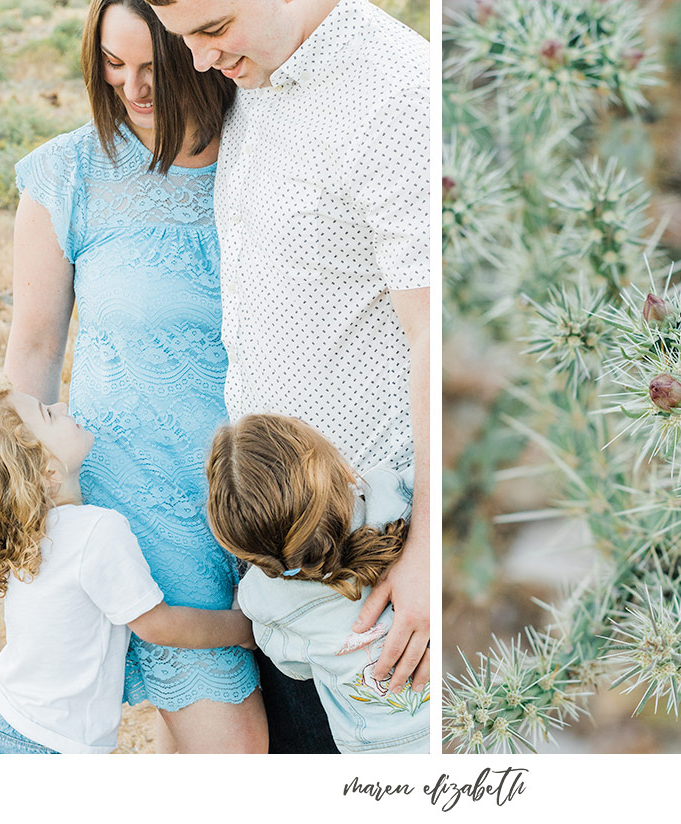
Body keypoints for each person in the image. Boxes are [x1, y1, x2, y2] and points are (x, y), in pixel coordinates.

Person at [146, 0, 430, 752]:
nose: (201, 61)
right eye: (185, 40)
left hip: (375, 557)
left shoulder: (395, 93)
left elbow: (440, 330)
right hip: (278, 546)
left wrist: (433, 550)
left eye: (212, 32)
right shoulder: (249, 77)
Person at [2, 0, 268, 753]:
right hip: (145, 501)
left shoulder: (264, 143)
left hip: (277, 497)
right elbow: (33, 353)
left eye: (152, 66)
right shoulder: (68, 173)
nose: (132, 89)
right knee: (234, 750)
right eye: (113, 66)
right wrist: (27, 505)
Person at [0, 378, 255, 754]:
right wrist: (244, 628)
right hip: (52, 748)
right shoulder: (97, 530)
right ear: (46, 469)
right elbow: (157, 624)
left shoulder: (26, 537)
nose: (63, 407)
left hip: (9, 726)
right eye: (48, 414)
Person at [205, 413, 428, 753]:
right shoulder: (393, 494)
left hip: (373, 751)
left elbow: (294, 668)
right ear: (338, 468)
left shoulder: (264, 601)